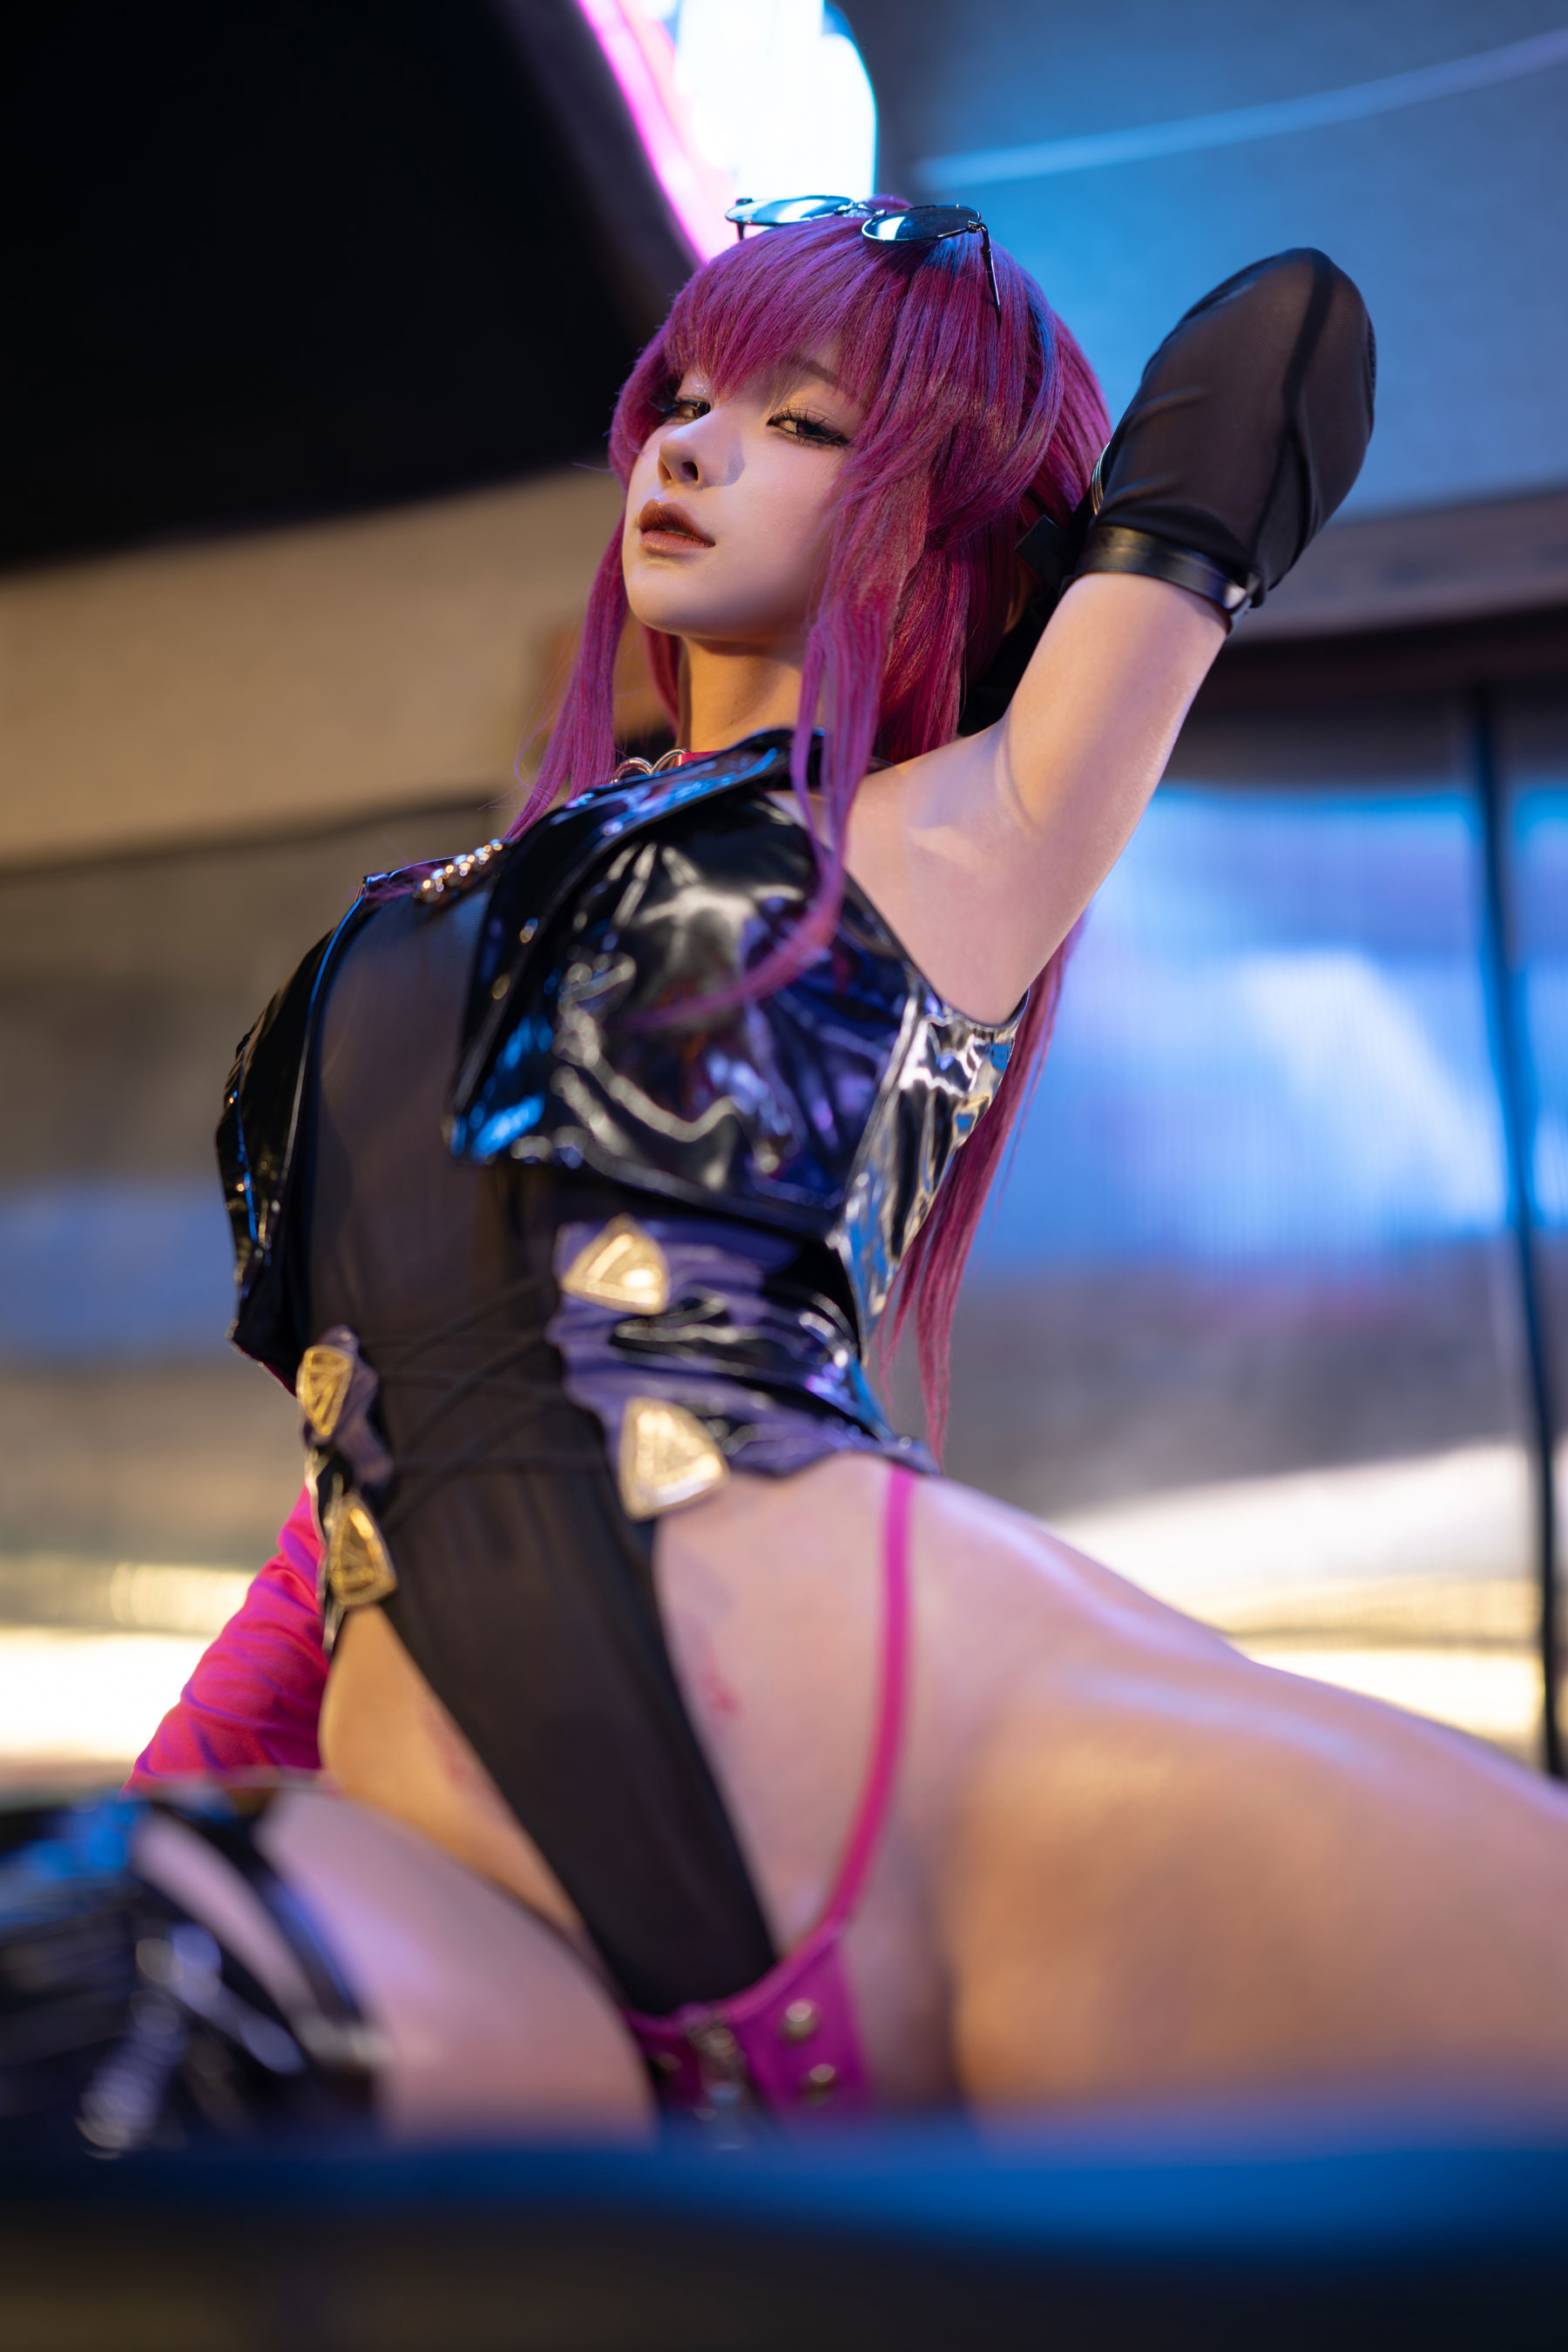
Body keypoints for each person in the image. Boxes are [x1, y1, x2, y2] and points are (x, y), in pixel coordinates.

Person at [10, 203, 1568, 2155]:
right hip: (474, 1903)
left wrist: (1015, 504)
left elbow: (1282, 345)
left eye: (803, 421)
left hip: (951, 1781)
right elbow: (348, 1492)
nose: (689, 446)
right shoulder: (411, 924)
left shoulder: (954, 832)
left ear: (934, 504)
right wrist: (172, 1792)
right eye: (678, 398)